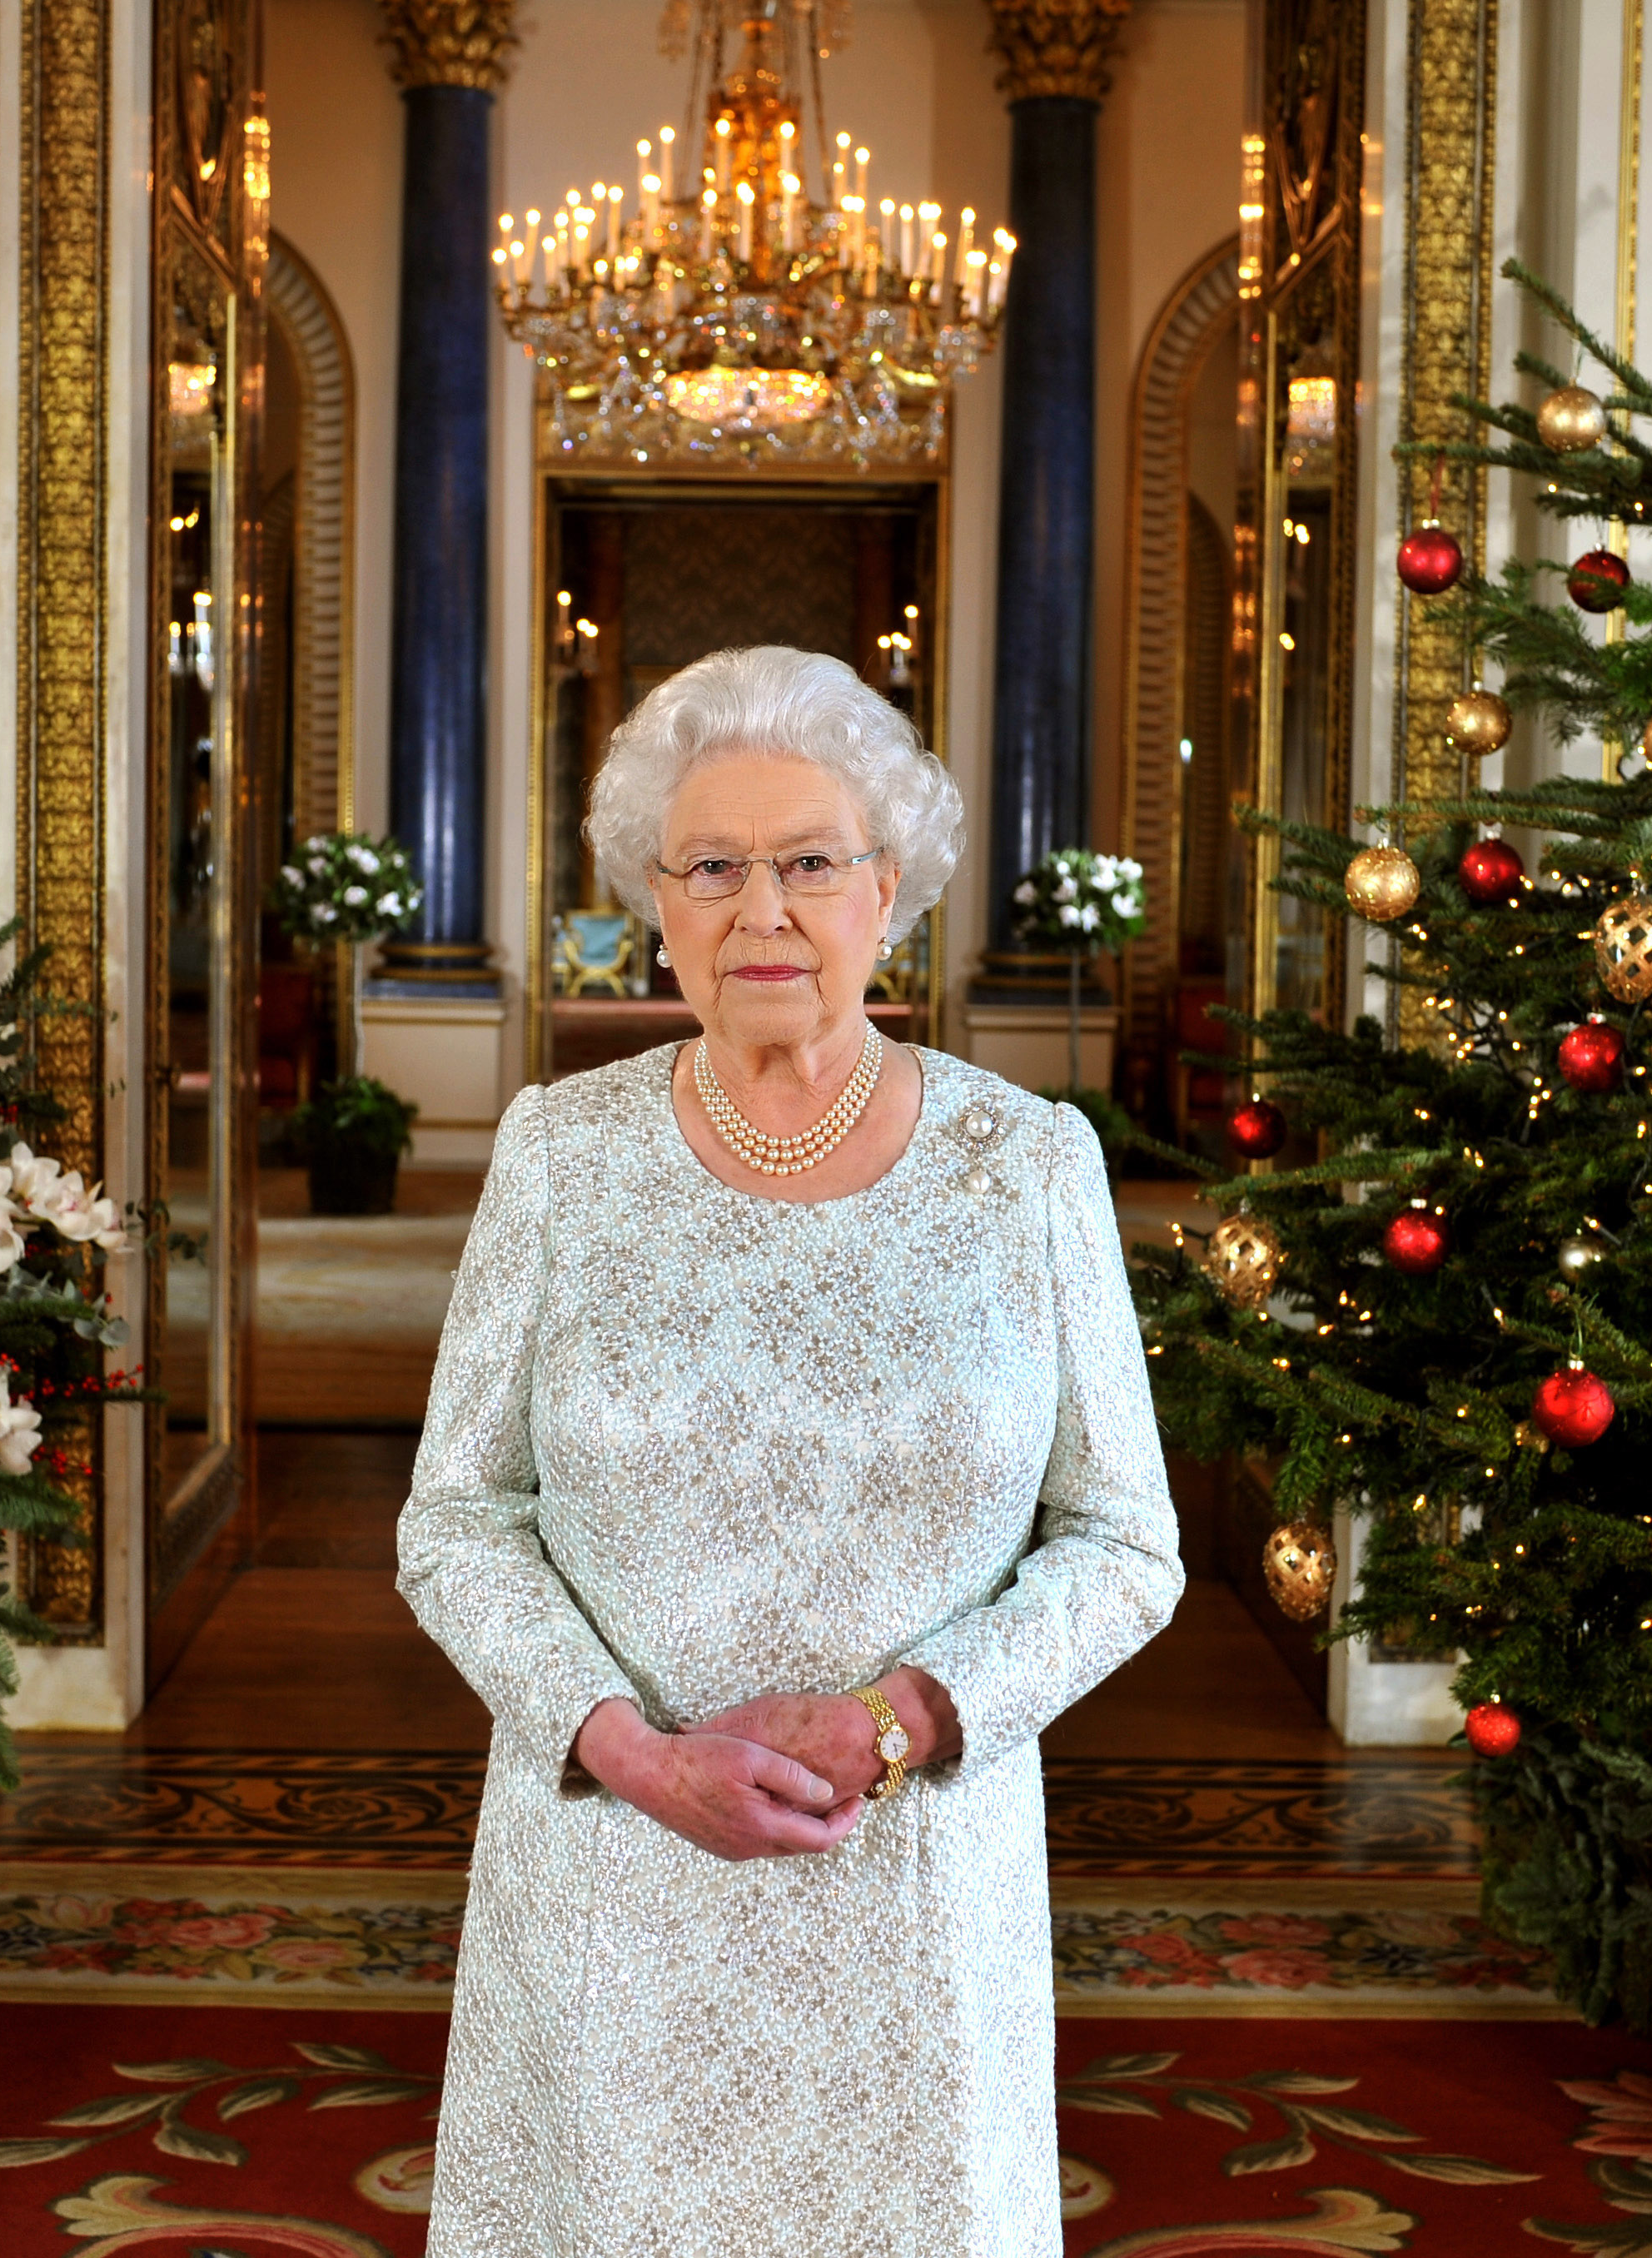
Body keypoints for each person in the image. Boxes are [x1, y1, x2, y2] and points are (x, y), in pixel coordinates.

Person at [396, 644, 1182, 2255]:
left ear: (887, 892)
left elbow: (1124, 1545)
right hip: (614, 1884)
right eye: (715, 868)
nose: (766, 911)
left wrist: (903, 1719)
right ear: (658, 906)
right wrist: (628, 1748)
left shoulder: (1027, 1165)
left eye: (811, 862)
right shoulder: (559, 1153)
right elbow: (456, 1523)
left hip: (914, 1893)